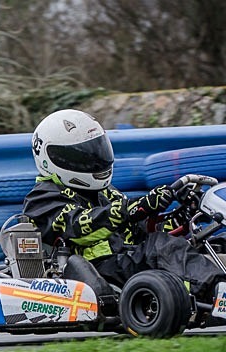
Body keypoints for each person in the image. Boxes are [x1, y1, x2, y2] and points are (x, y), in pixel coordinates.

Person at [23, 108, 226, 302]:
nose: (93, 160)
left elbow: (142, 233)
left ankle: (214, 288)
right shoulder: (42, 199)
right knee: (160, 247)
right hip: (93, 271)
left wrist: (182, 215)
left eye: (96, 150)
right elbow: (78, 227)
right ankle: (218, 292)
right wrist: (131, 209)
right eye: (83, 156)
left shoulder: (105, 193)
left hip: (125, 262)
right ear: (51, 159)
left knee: (214, 241)